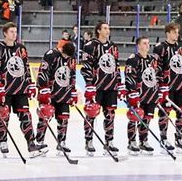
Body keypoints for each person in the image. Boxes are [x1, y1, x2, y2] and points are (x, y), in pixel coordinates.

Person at [0, 22, 47, 158]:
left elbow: (26, 67)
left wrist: (30, 85)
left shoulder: (21, 48)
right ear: (5, 33)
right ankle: (3, 141)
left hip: (20, 90)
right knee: (3, 115)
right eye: (12, 32)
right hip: (5, 90)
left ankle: (31, 144)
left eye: (15, 31)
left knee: (26, 116)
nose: (15, 34)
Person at [80, 22, 124, 154]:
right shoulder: (90, 46)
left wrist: (119, 84)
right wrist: (89, 85)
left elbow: (116, 67)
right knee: (91, 113)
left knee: (110, 114)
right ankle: (89, 141)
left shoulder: (113, 47)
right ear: (98, 30)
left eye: (109, 28)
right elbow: (86, 67)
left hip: (111, 86)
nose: (108, 30)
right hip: (96, 87)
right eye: (105, 28)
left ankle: (109, 141)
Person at [152, 23, 182, 151]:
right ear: (168, 33)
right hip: (167, 87)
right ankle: (163, 138)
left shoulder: (181, 49)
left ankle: (179, 137)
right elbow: (156, 68)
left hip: (180, 86)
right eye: (174, 32)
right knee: (165, 112)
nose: (177, 34)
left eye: (177, 32)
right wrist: (160, 85)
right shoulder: (160, 48)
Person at [35, 41, 77, 154]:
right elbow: (43, 72)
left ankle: (61, 143)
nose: (66, 58)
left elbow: (72, 75)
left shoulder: (72, 59)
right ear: (62, 50)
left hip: (64, 93)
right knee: (45, 116)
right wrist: (43, 88)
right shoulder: (51, 55)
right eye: (65, 55)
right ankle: (39, 142)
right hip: (49, 92)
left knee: (63, 118)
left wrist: (73, 92)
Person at [123, 36, 159, 155]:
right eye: (144, 43)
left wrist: (157, 91)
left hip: (150, 94)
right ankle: (131, 141)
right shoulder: (133, 59)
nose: (147, 45)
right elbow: (129, 76)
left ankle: (143, 141)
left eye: (148, 43)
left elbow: (155, 76)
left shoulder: (152, 60)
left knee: (147, 118)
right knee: (134, 118)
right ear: (138, 45)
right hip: (137, 95)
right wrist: (132, 92)